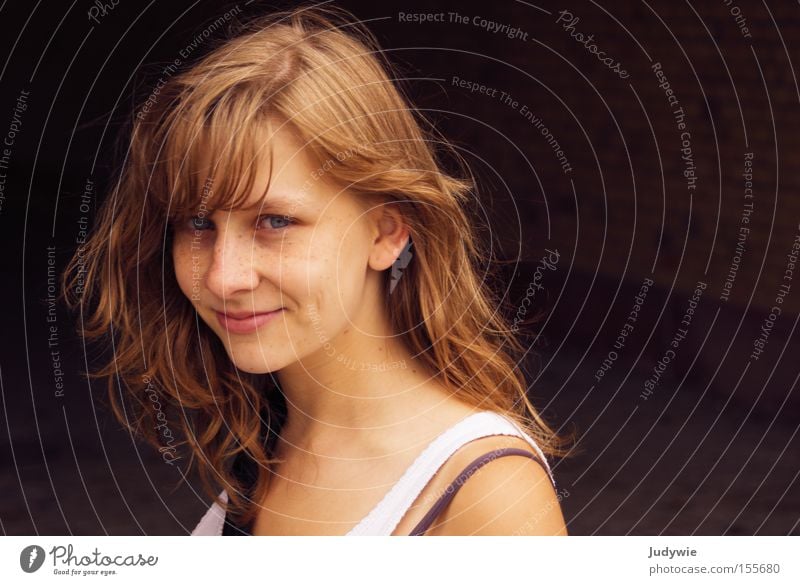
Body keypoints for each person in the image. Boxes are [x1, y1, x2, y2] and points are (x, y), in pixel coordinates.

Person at [62, 4, 574, 536]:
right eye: (197, 222)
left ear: (385, 233)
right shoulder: (265, 443)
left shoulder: (485, 496)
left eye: (275, 221)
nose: (222, 277)